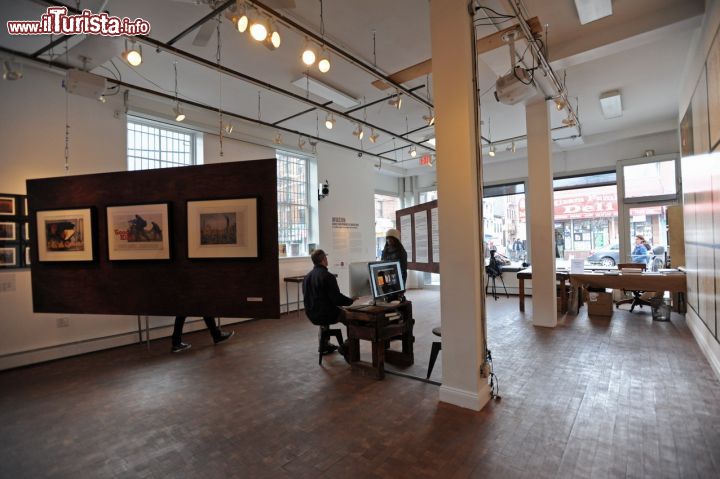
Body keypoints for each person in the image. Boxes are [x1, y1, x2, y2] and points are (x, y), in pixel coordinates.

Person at [302, 249, 354, 355]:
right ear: (324, 259)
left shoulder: (307, 277)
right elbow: (336, 299)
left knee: (325, 310)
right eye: (326, 257)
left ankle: (324, 345)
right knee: (351, 318)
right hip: (326, 314)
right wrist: (350, 301)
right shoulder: (328, 276)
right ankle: (347, 346)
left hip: (311, 314)